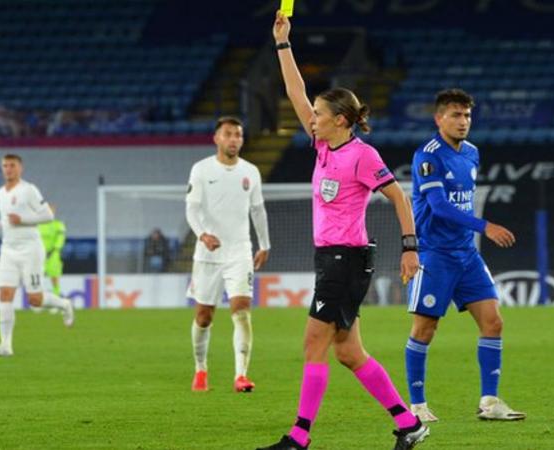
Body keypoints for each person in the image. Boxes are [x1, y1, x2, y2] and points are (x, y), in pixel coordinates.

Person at [257, 12, 428, 450]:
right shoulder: (321, 145)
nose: (311, 118)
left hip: (346, 259)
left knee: (313, 343)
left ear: (342, 120)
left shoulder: (362, 155)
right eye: (313, 113)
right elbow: (295, 92)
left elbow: (400, 198)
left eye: (319, 114)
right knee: (349, 353)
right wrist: (283, 44)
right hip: (331, 258)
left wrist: (410, 249)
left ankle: (299, 437)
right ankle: (409, 423)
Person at [404, 89, 526, 423]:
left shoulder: (471, 153)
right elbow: (439, 207)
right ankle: (416, 406)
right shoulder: (428, 156)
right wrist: (484, 225)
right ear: (439, 119)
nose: (463, 122)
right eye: (456, 115)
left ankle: (489, 402)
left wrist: (475, 231)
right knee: (425, 329)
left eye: (467, 115)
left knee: (493, 322)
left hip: (466, 254)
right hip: (435, 254)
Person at [185, 116, 271, 393]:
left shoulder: (251, 172)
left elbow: (258, 210)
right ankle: (200, 369)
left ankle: (241, 375)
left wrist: (264, 244)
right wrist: (202, 234)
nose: (234, 139)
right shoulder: (201, 170)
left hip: (240, 252)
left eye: (238, 135)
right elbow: (192, 208)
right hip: (208, 253)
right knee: (204, 317)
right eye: (228, 134)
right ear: (217, 138)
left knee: (241, 311)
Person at [0, 154, 75, 357]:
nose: (8, 169)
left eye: (12, 165)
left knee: (35, 299)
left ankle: (64, 304)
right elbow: (8, 221)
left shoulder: (29, 190)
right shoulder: (1, 193)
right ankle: (6, 345)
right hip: (8, 249)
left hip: (30, 250)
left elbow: (47, 215)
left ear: (20, 168)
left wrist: (23, 219)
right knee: (4, 294)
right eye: (5, 166)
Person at [38, 204, 66, 296]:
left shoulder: (58, 225)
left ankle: (56, 298)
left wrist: (54, 250)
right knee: (37, 278)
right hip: (39, 254)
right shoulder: (37, 225)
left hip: (53, 254)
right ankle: (38, 301)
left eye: (51, 211)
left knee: (54, 277)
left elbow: (60, 238)